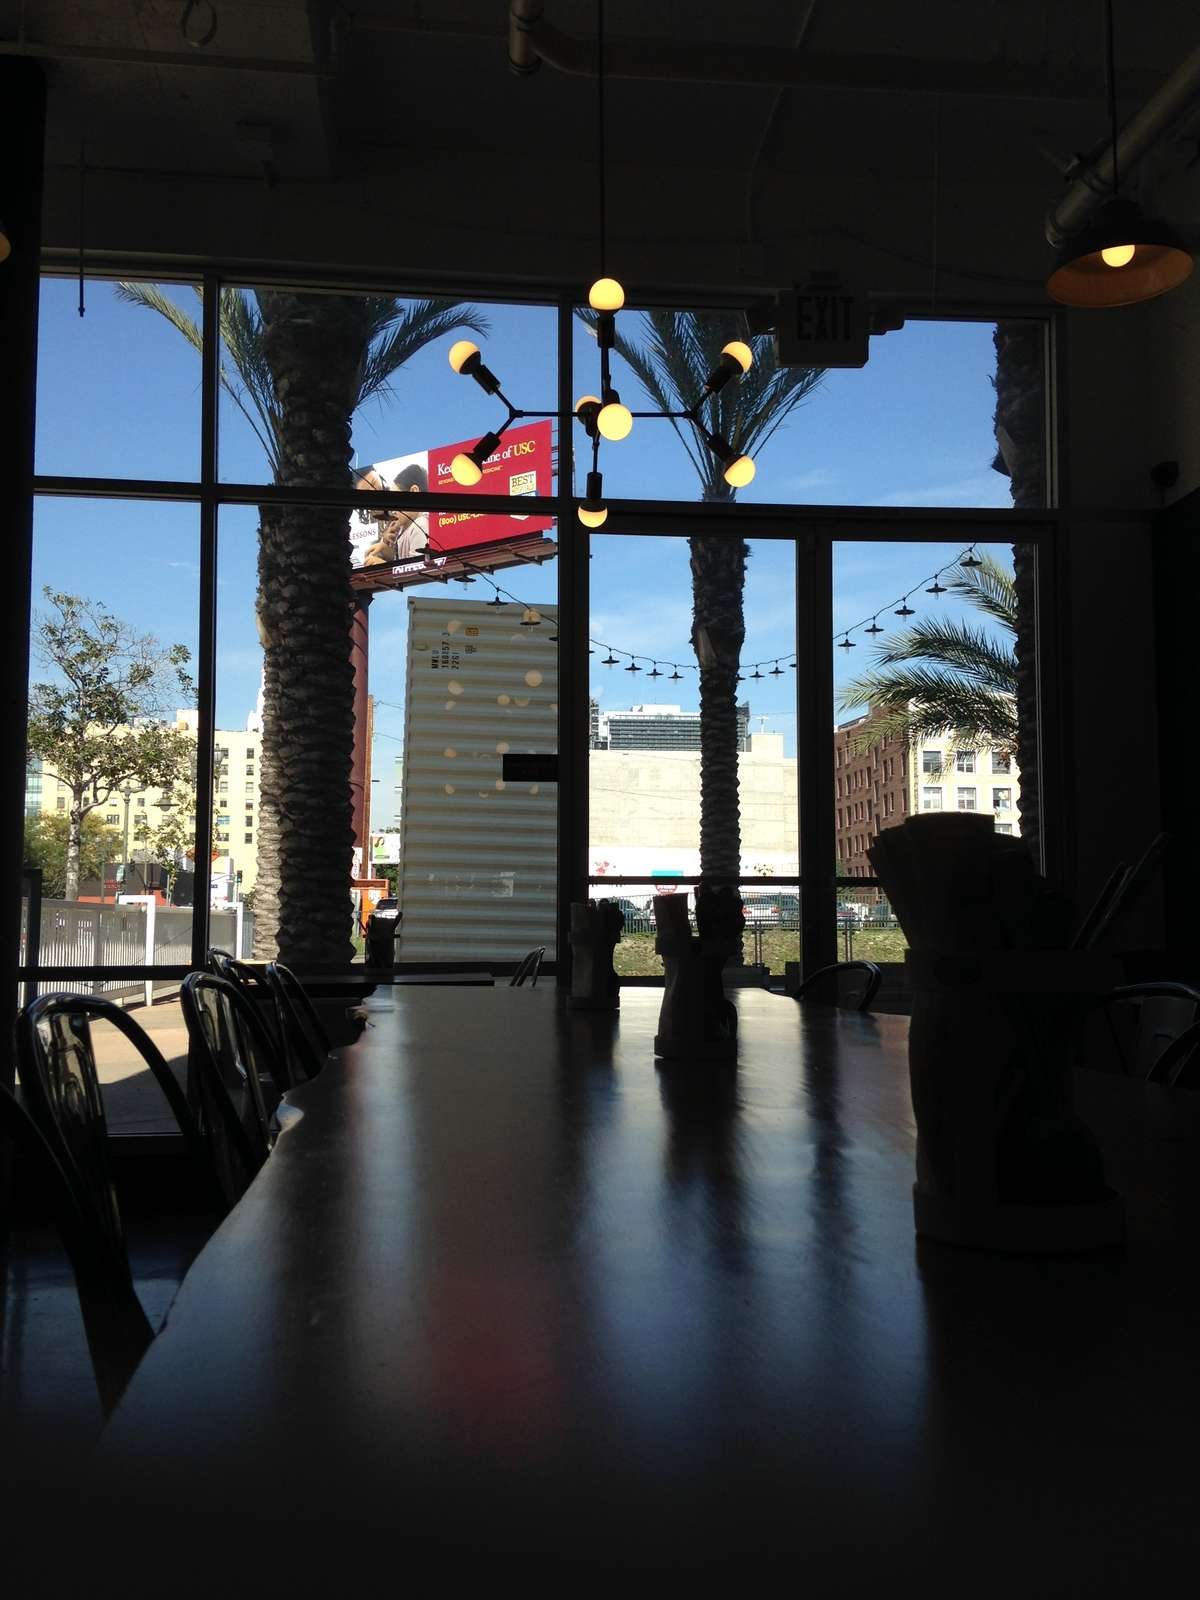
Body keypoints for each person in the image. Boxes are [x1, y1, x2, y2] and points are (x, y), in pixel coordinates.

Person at [360, 462, 430, 566]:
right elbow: (405, 559)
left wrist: (383, 566)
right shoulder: (403, 527)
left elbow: (417, 569)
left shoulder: (420, 526)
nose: (392, 509)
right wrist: (386, 549)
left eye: (396, 499)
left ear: (414, 491)